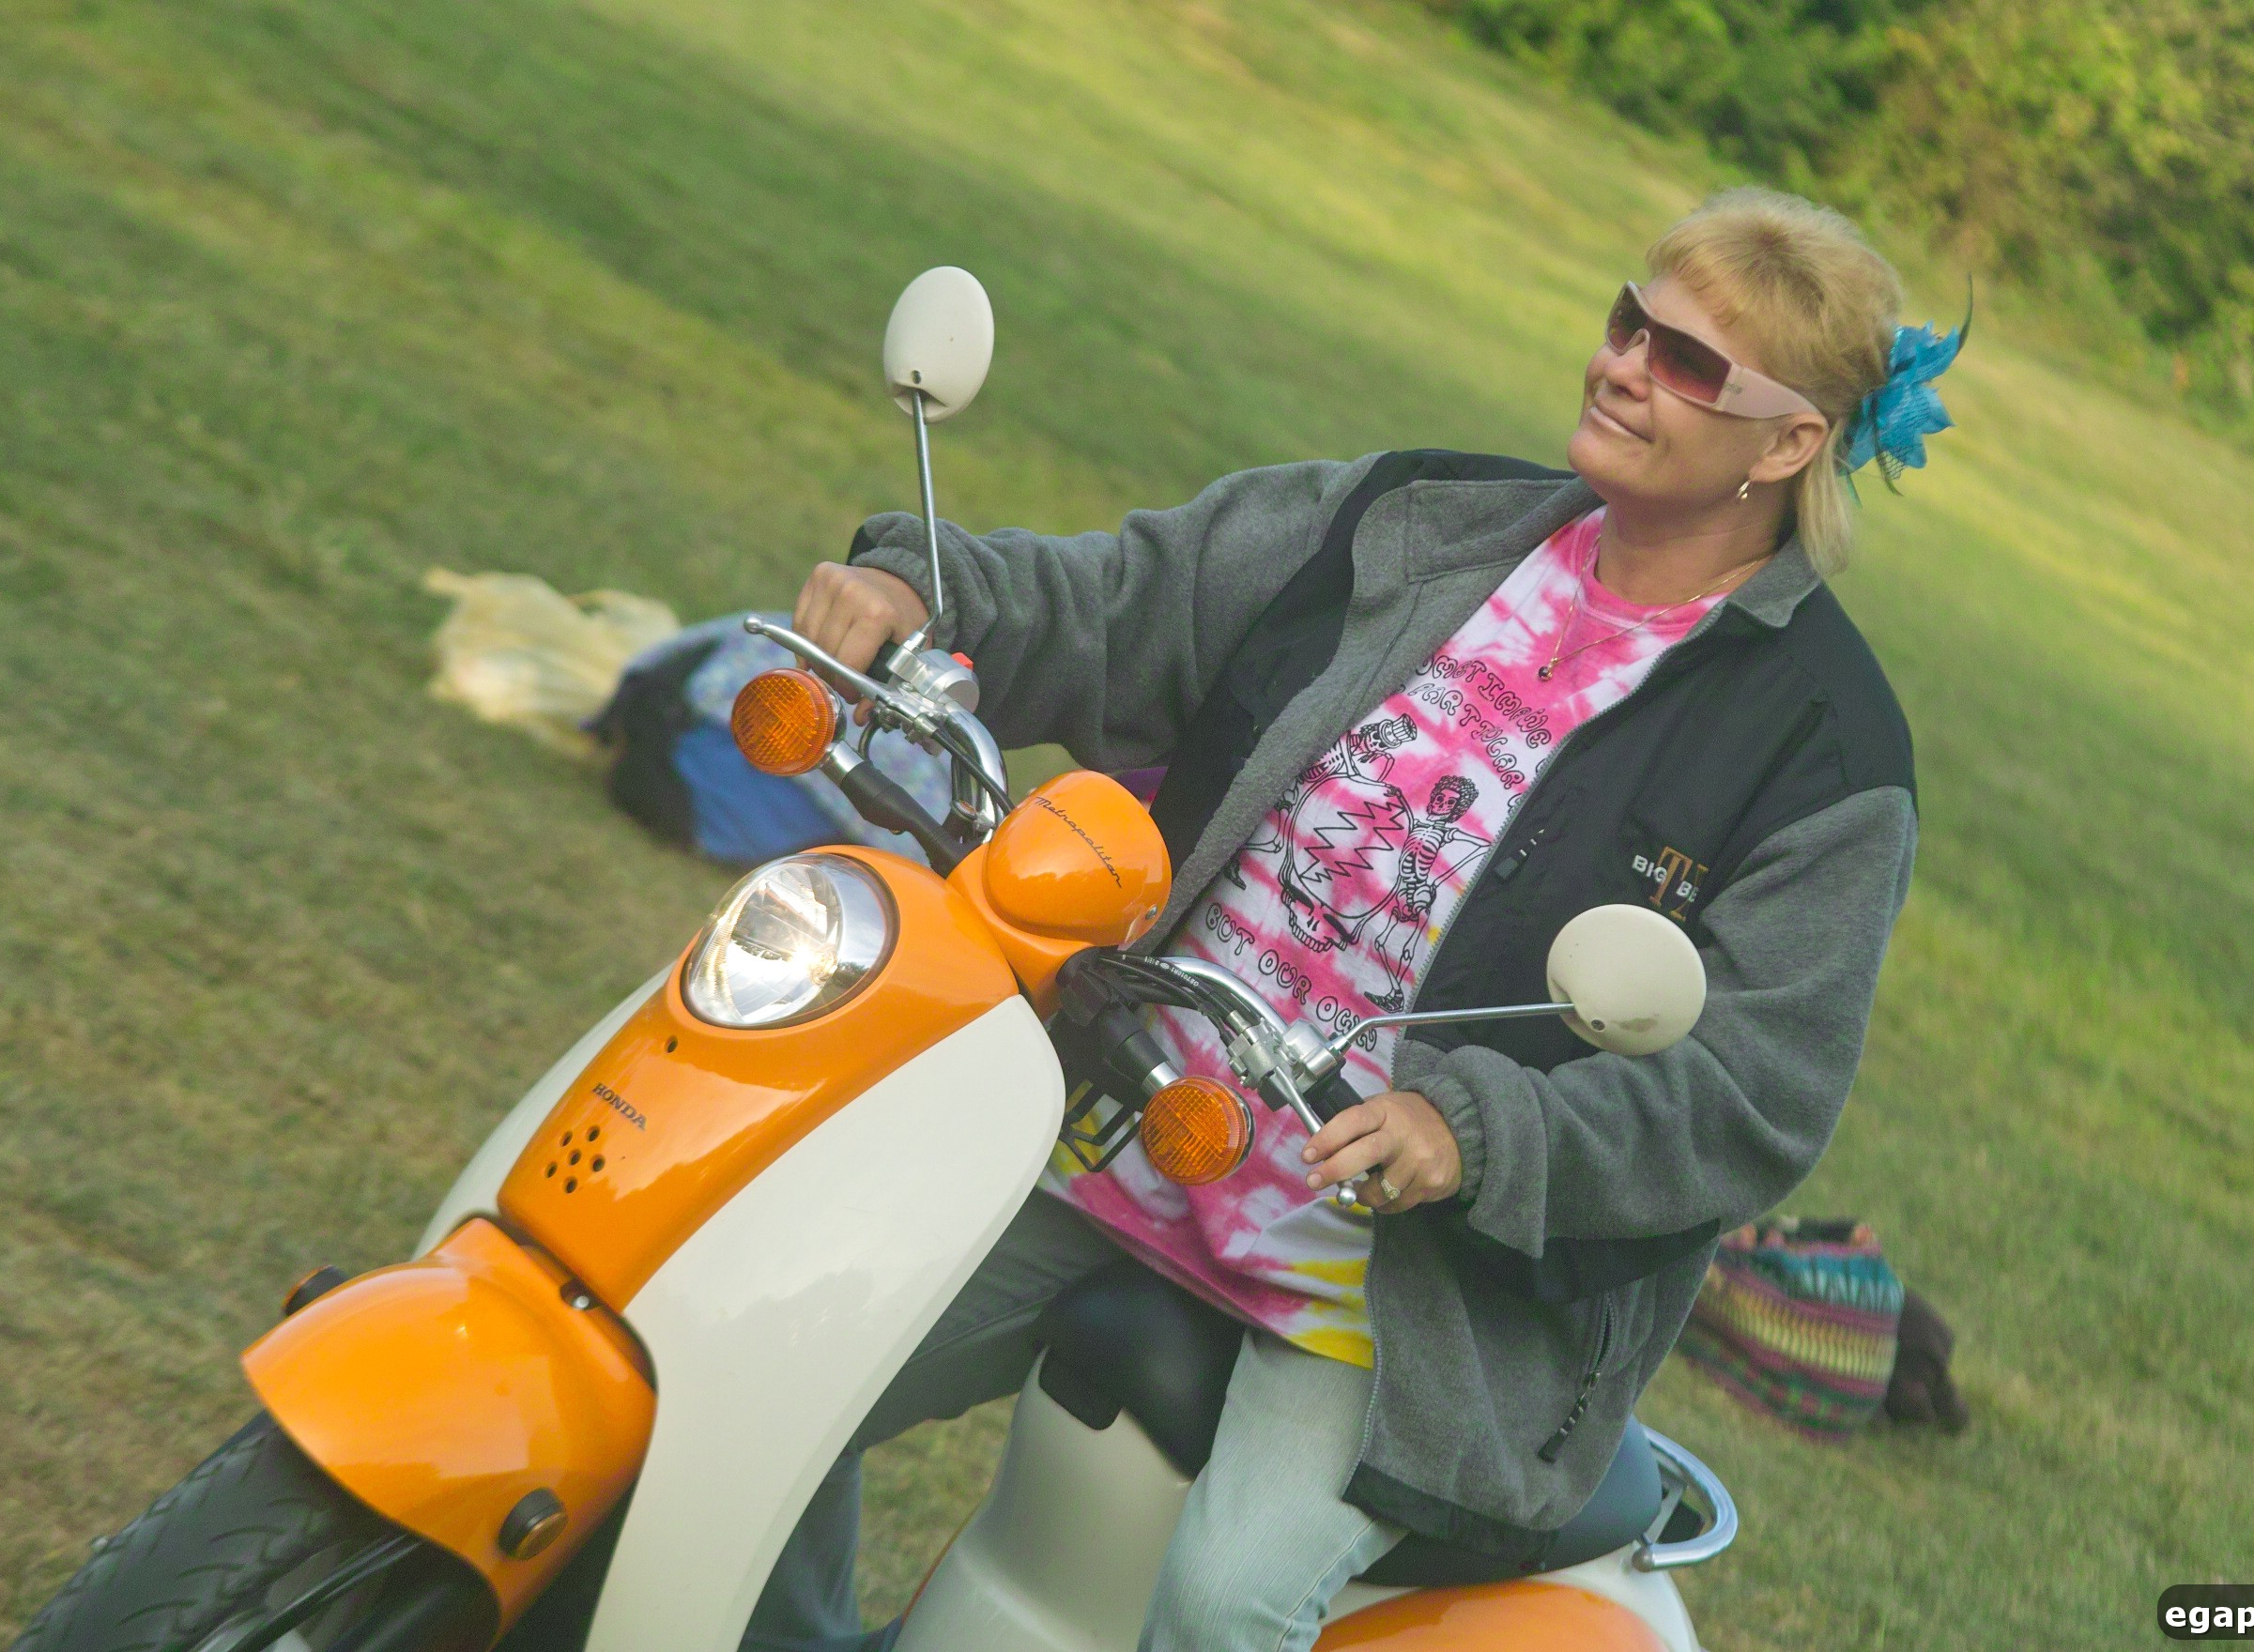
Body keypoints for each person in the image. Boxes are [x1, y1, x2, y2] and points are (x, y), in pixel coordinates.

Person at [744, 186, 1963, 1652]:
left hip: (1400, 1293)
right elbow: (1135, 601)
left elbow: (1752, 1093)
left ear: (1786, 444)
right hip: (1118, 1113)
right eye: (1630, 323)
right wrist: (927, 590)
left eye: (1691, 363)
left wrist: (1476, 1130)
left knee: (1225, 1606)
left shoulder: (1825, 750)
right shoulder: (1417, 520)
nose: (1625, 366)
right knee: (772, 1360)